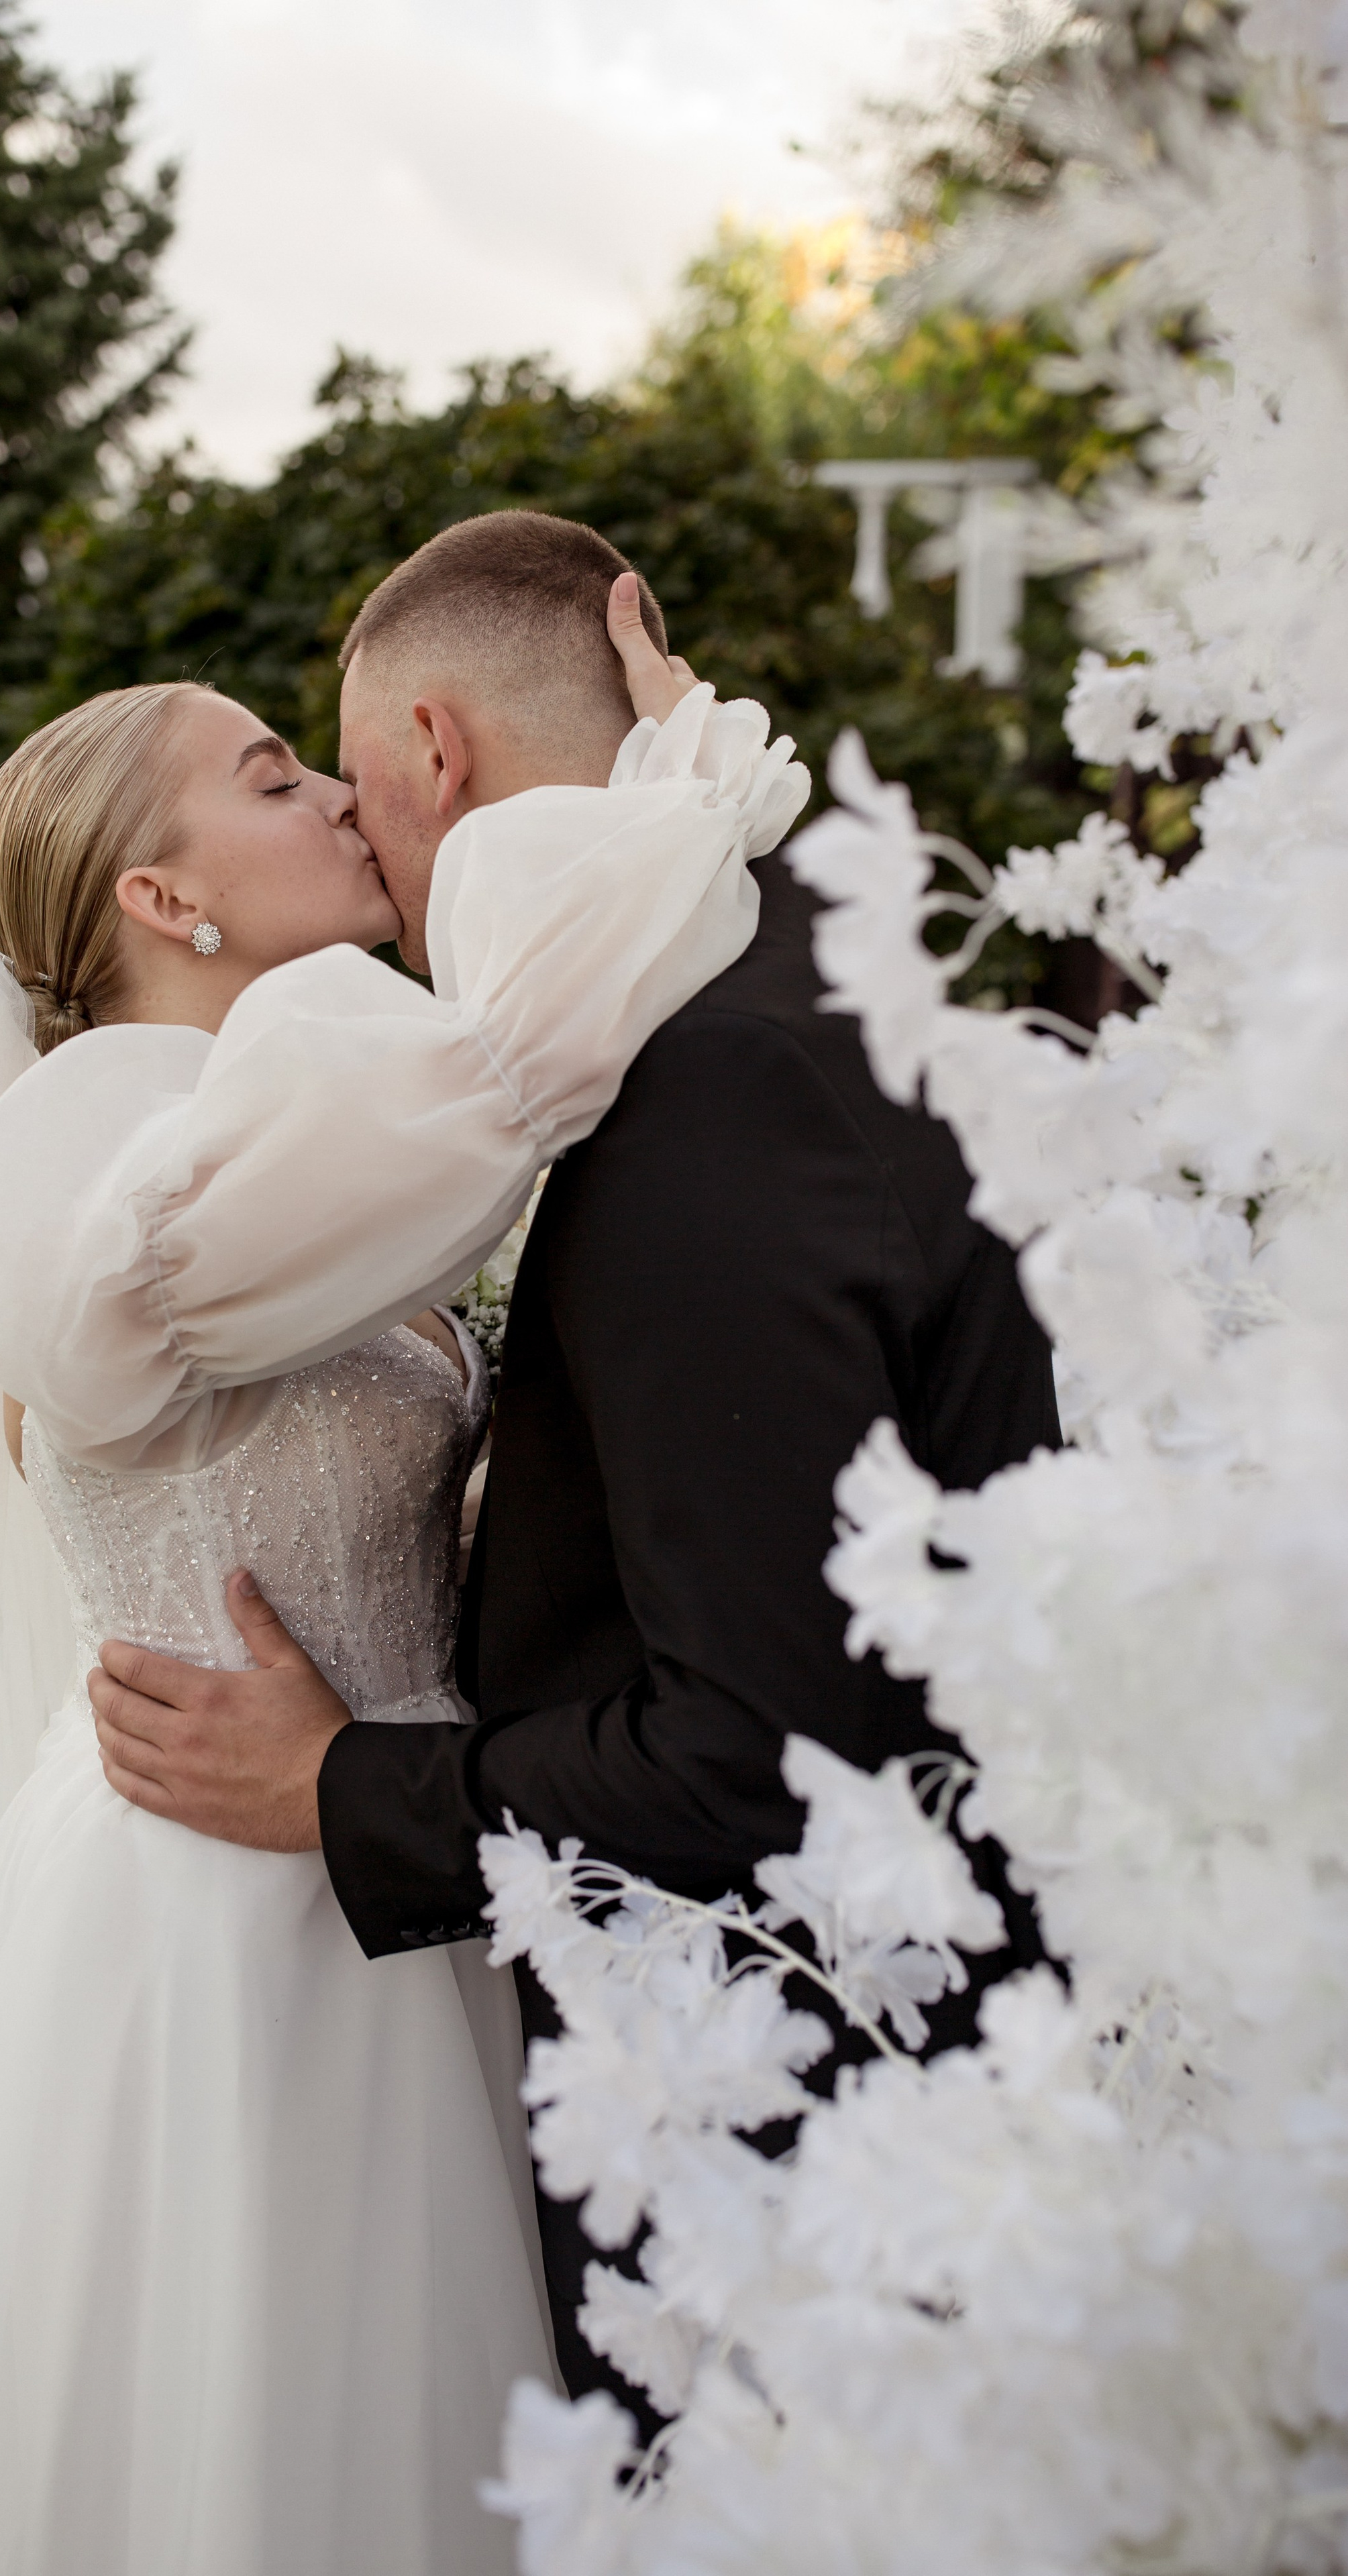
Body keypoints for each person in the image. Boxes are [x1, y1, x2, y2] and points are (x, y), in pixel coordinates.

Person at [0, 523, 809, 2573]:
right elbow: (506, 1064)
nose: (338, 791)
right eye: (267, 777)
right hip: (217, 1918)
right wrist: (659, 811)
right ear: (161, 899)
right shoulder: (98, 1157)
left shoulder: (283, 1123)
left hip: (384, 1854)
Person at [82, 513, 1064, 2428]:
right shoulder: (776, 992)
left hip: (793, 2143)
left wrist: (342, 1785)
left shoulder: (717, 1097)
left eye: (346, 776)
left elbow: (760, 1743)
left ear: (433, 752)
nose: (358, 833)